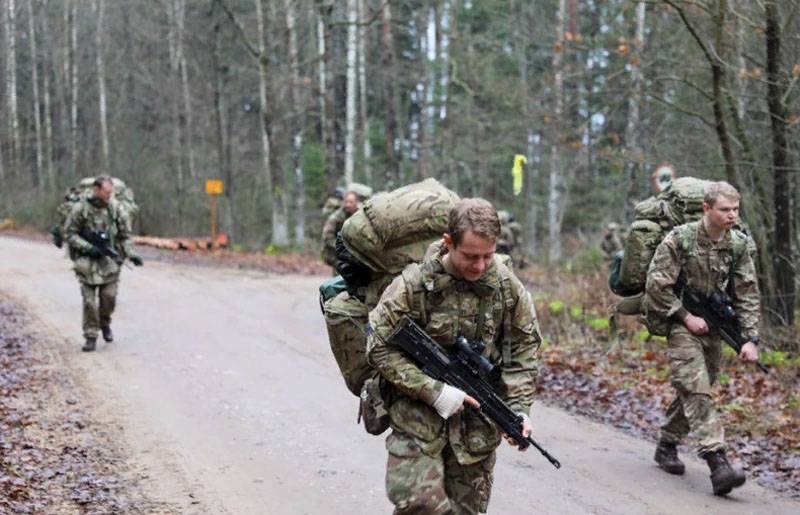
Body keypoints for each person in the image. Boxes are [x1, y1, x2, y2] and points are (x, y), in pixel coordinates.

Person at [366, 198, 541, 514]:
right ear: (448, 243)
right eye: (471, 256)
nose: (480, 266)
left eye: (487, 256)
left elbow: (523, 350)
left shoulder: (505, 286)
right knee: (420, 505)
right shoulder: (414, 284)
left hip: (475, 431)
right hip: (417, 418)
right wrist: (435, 392)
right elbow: (378, 346)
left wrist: (519, 409)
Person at [645, 181, 760, 496]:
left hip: (714, 327)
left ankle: (666, 444)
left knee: (699, 386)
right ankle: (717, 461)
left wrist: (750, 339)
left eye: (735, 209)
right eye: (725, 209)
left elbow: (747, 293)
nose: (732, 216)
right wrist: (684, 316)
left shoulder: (737, 245)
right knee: (696, 387)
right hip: (681, 322)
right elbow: (656, 286)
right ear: (707, 209)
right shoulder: (679, 240)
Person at [64, 176, 143, 352]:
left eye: (111, 192)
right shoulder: (80, 209)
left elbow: (125, 236)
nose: (109, 196)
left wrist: (131, 254)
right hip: (87, 261)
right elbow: (69, 234)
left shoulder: (115, 208)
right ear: (96, 190)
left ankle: (105, 322)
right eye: (106, 192)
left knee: (109, 298)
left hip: (109, 263)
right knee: (89, 302)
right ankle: (91, 335)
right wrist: (88, 247)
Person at [321, 191, 362, 271]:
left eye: (351, 202)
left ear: (356, 203)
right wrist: (341, 247)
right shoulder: (335, 217)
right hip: (338, 253)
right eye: (346, 202)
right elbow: (327, 237)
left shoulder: (361, 216)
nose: (348, 204)